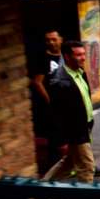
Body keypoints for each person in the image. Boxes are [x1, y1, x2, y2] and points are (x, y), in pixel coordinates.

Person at [43, 41, 96, 183]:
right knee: (87, 167)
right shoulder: (59, 81)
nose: (83, 58)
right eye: (78, 55)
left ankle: (42, 188)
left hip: (85, 127)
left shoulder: (80, 72)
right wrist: (61, 140)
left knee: (68, 163)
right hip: (75, 131)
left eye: (84, 54)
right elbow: (56, 113)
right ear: (66, 57)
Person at [28, 30, 64, 177]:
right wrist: (50, 100)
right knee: (54, 140)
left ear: (61, 40)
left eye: (54, 39)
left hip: (65, 104)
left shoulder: (65, 56)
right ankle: (53, 170)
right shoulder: (44, 58)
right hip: (51, 107)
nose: (51, 42)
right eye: (48, 40)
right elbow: (37, 82)